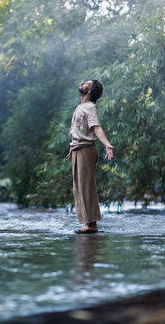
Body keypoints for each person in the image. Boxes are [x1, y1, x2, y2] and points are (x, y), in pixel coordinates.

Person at [66, 79, 114, 234]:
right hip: (77, 150)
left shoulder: (91, 107)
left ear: (90, 91)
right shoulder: (80, 107)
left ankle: (92, 224)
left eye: (87, 83)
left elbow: (96, 128)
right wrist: (72, 148)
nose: (82, 83)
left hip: (86, 150)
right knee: (78, 188)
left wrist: (107, 144)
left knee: (86, 187)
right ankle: (87, 223)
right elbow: (79, 132)